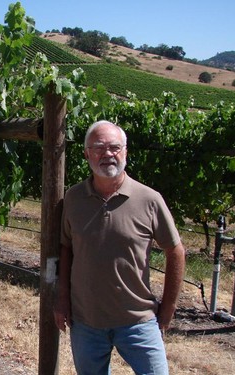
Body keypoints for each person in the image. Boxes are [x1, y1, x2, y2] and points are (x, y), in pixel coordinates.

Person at [54, 120, 186, 375]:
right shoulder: (73, 198)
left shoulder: (149, 199)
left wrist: (168, 306)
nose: (107, 154)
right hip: (86, 322)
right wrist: (61, 299)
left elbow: (176, 251)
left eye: (115, 147)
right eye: (98, 148)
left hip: (138, 320)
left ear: (125, 152)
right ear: (86, 154)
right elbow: (66, 249)